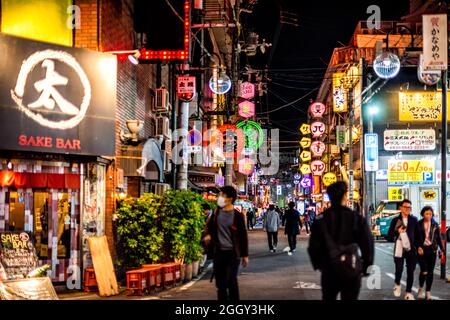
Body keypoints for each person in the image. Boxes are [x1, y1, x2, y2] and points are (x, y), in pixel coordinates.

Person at [308, 182, 374, 300]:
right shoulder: (356, 218)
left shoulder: (321, 219)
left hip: (329, 268)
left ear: (329, 197)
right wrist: (366, 266)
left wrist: (319, 265)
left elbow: (313, 247)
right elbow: (367, 244)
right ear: (345, 196)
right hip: (351, 267)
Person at [202, 186, 249, 301]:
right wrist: (208, 236)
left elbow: (243, 236)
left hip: (233, 254)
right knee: (220, 284)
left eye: (222, 195)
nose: (220, 197)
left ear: (230, 198)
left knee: (231, 280)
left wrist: (245, 255)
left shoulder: (237, 216)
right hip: (219, 253)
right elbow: (210, 228)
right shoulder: (216, 213)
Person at [387, 199, 419, 300]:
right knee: (399, 269)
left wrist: (419, 247)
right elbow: (389, 236)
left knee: (410, 271)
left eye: (409, 207)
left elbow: (418, 235)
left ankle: (408, 292)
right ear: (401, 208)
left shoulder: (414, 220)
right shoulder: (395, 220)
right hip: (399, 249)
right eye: (405, 207)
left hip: (411, 249)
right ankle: (397, 283)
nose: (407, 209)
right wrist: (397, 232)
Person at [416, 206, 445, 300]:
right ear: (423, 214)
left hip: (432, 250)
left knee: (430, 272)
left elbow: (439, 239)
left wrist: (442, 250)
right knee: (424, 271)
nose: (428, 215)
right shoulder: (418, 224)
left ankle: (428, 292)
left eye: (430, 214)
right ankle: (420, 289)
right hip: (422, 250)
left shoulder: (435, 224)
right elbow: (414, 238)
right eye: (426, 214)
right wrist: (418, 247)